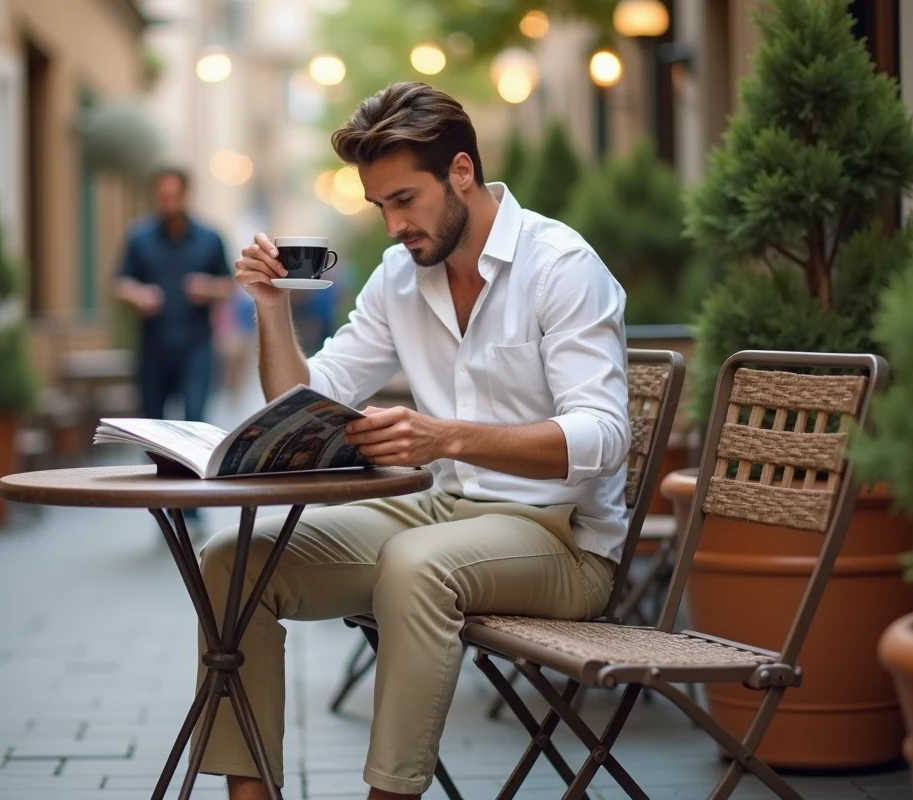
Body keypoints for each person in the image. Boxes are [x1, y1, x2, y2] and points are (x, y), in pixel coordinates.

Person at [197, 82, 630, 800]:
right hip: (440, 514)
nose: (394, 225)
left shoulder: (560, 265)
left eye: (405, 199)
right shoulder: (401, 277)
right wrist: (271, 311)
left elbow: (605, 436)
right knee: (232, 561)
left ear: (461, 171)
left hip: (563, 538)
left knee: (415, 566)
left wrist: (447, 437)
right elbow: (309, 397)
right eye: (380, 206)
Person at [114, 167, 235, 425]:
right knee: (152, 425)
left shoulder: (210, 239)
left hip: (196, 347)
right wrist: (138, 294)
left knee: (195, 421)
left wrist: (208, 288)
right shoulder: (139, 239)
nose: (169, 203)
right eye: (163, 197)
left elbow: (229, 286)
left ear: (186, 195)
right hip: (153, 347)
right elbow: (120, 284)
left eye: (174, 196)